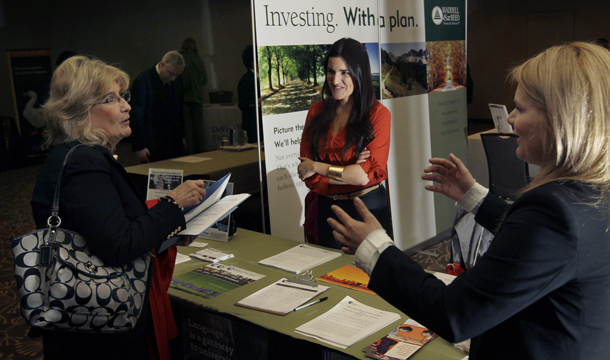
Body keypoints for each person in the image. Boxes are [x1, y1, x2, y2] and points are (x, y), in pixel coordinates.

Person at [327, 42, 610, 359]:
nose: (511, 118)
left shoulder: (553, 210)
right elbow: (536, 246)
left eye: (522, 109)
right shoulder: (590, 192)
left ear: (561, 119)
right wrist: (473, 197)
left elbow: (456, 314)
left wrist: (375, 248)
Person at [31, 56, 207, 360]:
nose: (126, 106)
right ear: (81, 110)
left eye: (123, 96)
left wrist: (170, 232)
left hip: (88, 315)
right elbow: (119, 244)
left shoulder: (77, 156)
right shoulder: (84, 163)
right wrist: (173, 204)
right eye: (111, 99)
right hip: (100, 326)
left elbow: (103, 229)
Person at [298, 37, 392, 249]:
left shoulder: (378, 114)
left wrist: (318, 167)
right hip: (327, 208)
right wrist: (345, 171)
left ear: (359, 73)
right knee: (328, 275)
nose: (335, 80)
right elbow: (308, 175)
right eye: (331, 71)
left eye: (344, 72)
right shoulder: (316, 112)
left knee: (370, 277)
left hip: (366, 207)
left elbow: (361, 177)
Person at [130, 50, 186, 163]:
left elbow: (178, 110)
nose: (174, 78)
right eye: (171, 73)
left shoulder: (176, 80)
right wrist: (139, 146)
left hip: (173, 141)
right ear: (162, 65)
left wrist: (182, 136)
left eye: (177, 75)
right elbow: (136, 116)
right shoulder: (143, 81)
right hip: (153, 143)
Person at [180, 38, 208, 154]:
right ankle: (201, 151)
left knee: (187, 128)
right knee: (198, 128)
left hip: (185, 98)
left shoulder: (180, 59)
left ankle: (189, 153)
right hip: (197, 98)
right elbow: (205, 79)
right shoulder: (198, 60)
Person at [237, 44, 262, 144]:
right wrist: (259, 101)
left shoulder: (262, 78)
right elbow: (242, 104)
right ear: (253, 63)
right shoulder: (246, 80)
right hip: (253, 124)